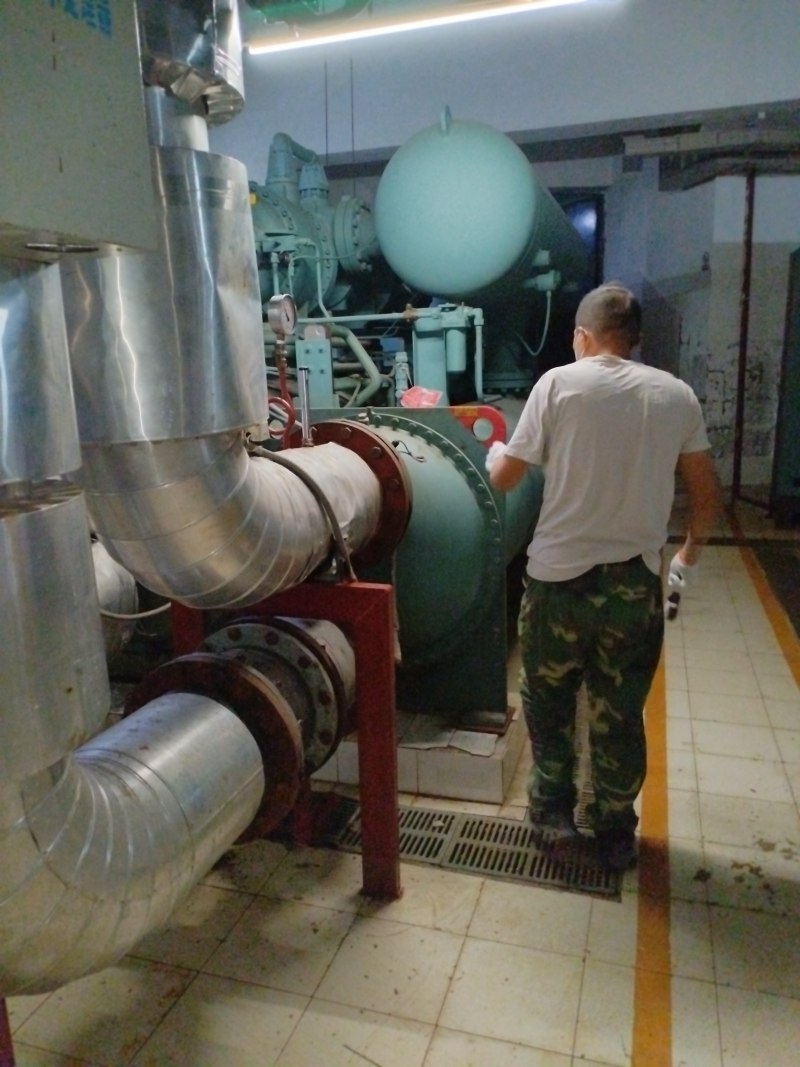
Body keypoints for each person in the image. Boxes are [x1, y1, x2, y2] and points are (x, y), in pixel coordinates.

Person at [487, 282, 720, 870]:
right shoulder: (675, 395)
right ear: (633, 339)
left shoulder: (558, 384)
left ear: (581, 337)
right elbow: (704, 493)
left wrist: (494, 456)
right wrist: (687, 557)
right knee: (619, 710)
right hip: (634, 587)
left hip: (557, 584)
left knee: (549, 706)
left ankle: (554, 818)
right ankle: (616, 830)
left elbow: (507, 478)